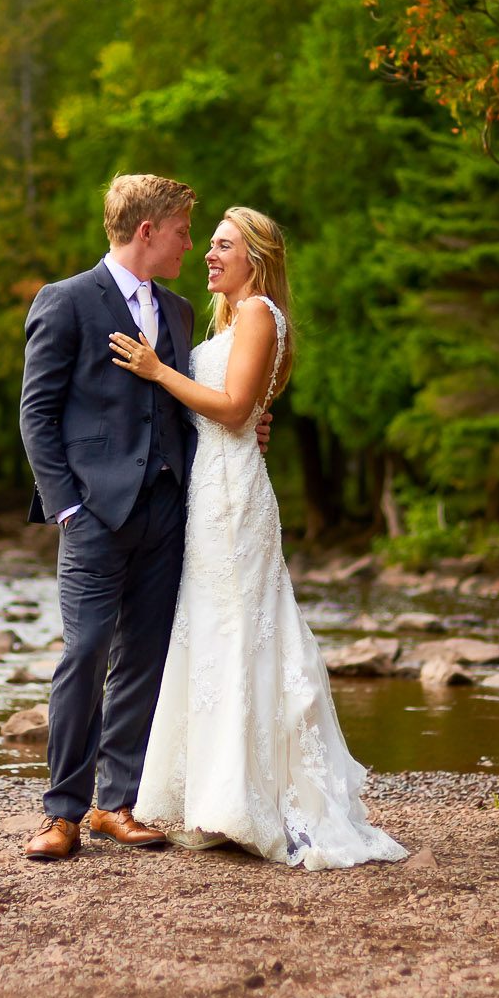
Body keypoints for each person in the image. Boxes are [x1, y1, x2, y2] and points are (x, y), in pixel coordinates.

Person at [109, 207, 405, 871]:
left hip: (235, 499)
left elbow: (236, 409)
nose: (209, 255)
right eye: (208, 243)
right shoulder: (232, 319)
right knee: (213, 633)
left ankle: (249, 800)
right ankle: (215, 795)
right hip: (210, 493)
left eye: (222, 245)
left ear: (256, 257)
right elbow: (231, 409)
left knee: (241, 631)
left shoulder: (260, 314)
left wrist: (158, 371)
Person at [16, 174, 270, 861]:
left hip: (170, 509)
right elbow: (35, 414)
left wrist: (243, 431)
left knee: (145, 657)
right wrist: (67, 504)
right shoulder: (66, 301)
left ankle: (115, 803)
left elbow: (192, 403)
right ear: (148, 230)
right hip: (93, 514)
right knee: (86, 650)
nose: (192, 242)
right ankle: (61, 812)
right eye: (184, 230)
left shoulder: (182, 311)